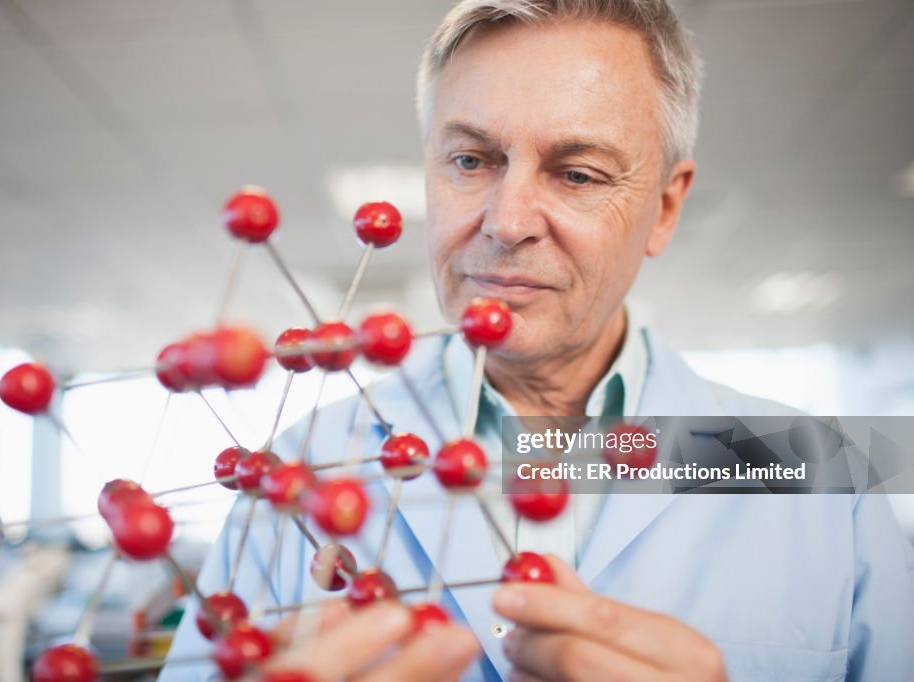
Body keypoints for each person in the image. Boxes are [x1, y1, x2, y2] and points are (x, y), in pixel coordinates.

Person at [161, 1, 914, 680]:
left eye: (578, 174)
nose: (506, 220)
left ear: (663, 209)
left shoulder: (818, 471)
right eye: (469, 160)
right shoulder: (294, 477)